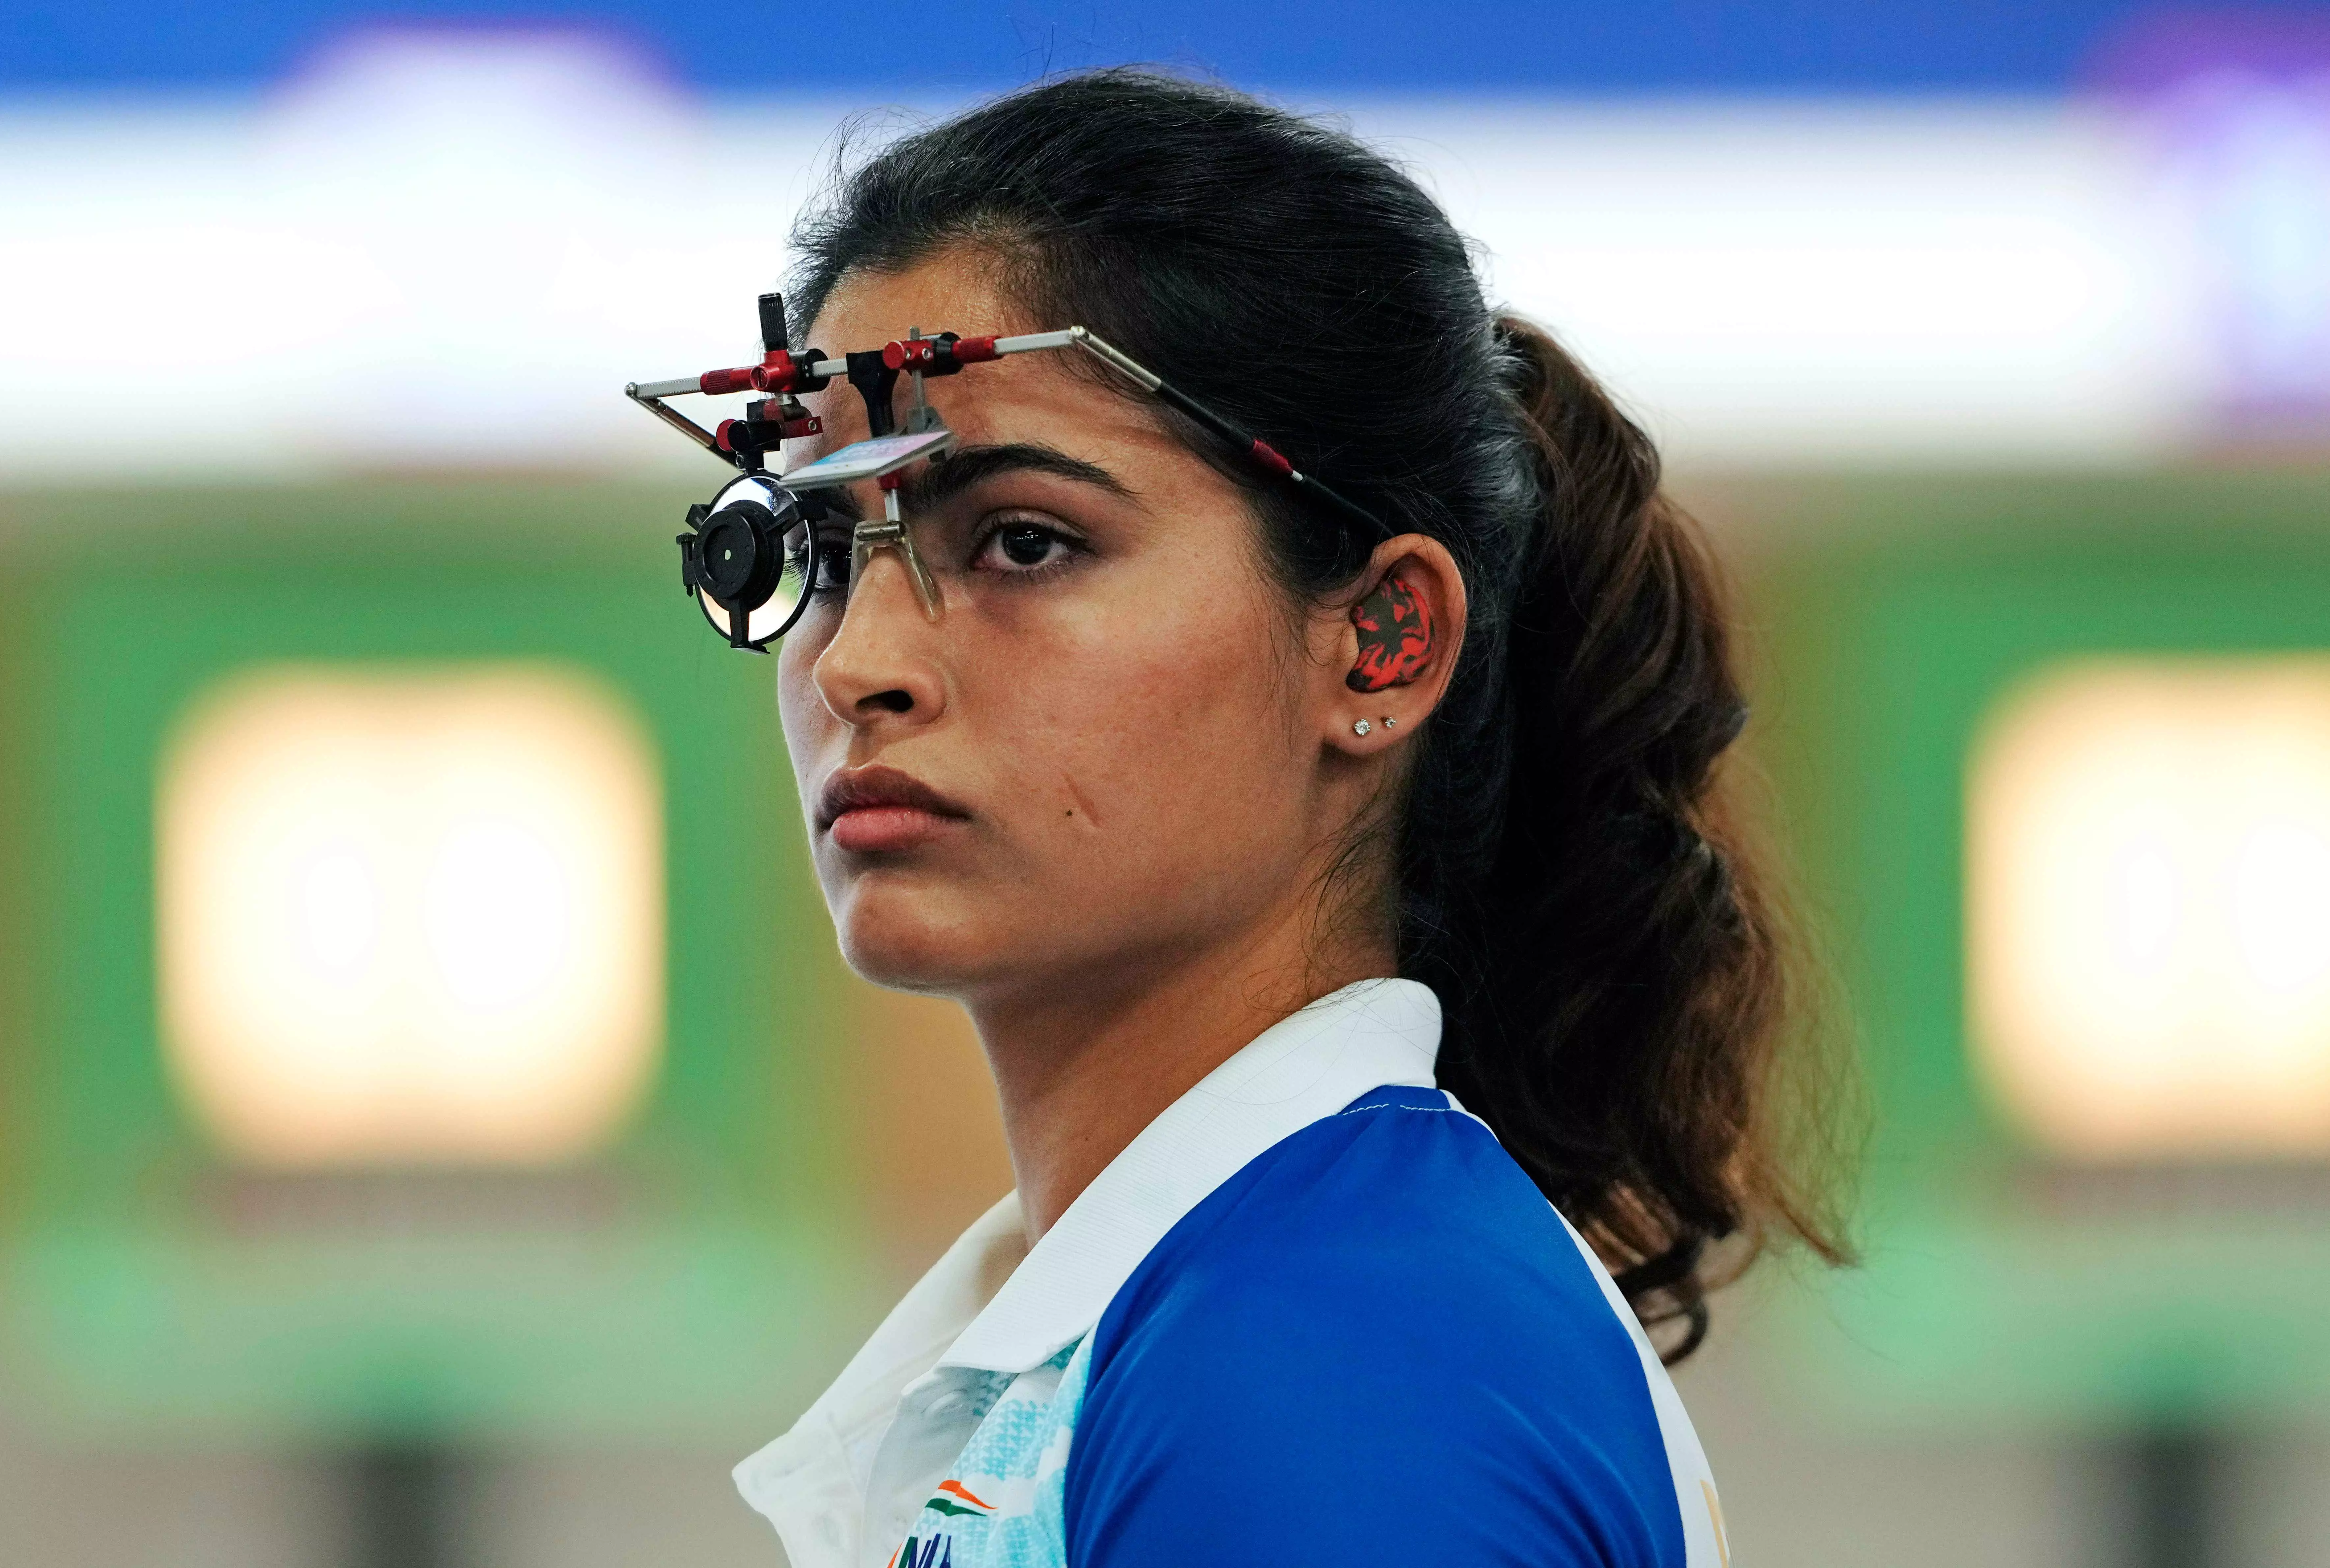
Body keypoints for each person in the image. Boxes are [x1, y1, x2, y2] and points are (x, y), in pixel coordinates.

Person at [728, 68, 1846, 1568]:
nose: (859, 661)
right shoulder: (1223, 1305)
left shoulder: (1330, 1359)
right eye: (815, 542)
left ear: (1381, 640)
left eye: (1024, 539)